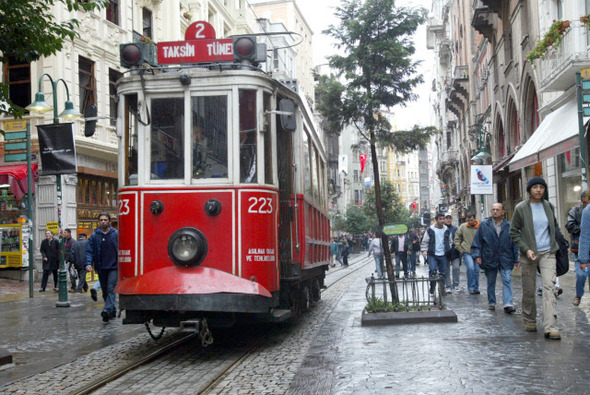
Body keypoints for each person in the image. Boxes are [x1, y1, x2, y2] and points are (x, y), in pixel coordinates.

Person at [510, 177, 562, 340]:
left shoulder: (549, 206)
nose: (538, 190)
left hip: (548, 252)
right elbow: (514, 231)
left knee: (549, 288)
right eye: (535, 187)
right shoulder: (521, 208)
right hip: (529, 254)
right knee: (529, 289)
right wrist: (526, 249)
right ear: (529, 190)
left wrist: (554, 243)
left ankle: (550, 326)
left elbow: (554, 226)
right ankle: (529, 319)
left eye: (541, 187)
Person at [471, 203, 519, 313]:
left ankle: (508, 303)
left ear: (502, 212)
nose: (495, 211)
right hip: (490, 257)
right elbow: (477, 241)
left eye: (498, 209)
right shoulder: (484, 225)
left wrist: (516, 258)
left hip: (505, 257)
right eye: (493, 209)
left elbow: (514, 243)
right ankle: (491, 302)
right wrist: (477, 255)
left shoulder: (509, 225)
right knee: (491, 281)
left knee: (507, 280)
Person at [85, 212, 119, 322]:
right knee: (105, 291)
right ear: (99, 222)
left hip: (114, 267)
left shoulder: (115, 234)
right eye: (101, 220)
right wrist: (89, 264)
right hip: (101, 267)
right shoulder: (95, 236)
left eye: (105, 220)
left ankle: (107, 310)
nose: (103, 222)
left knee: (111, 288)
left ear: (109, 221)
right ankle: (112, 311)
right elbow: (89, 251)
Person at [566, 190, 590, 306]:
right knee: (581, 275)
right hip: (580, 250)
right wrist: (584, 227)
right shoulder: (577, 211)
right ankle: (578, 294)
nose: (587, 204)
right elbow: (570, 226)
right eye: (585, 202)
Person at [420, 213, 451, 294]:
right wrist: (424, 250)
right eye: (440, 219)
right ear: (436, 220)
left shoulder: (446, 229)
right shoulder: (431, 229)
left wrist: (448, 248)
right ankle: (432, 285)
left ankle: (442, 288)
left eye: (443, 219)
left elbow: (450, 240)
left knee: (443, 272)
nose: (442, 220)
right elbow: (425, 241)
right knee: (433, 270)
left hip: (443, 254)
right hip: (432, 254)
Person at [454, 211, 480, 295]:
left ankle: (476, 287)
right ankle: (471, 287)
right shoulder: (463, 227)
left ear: (475, 219)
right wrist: (459, 248)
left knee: (476, 270)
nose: (470, 222)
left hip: (478, 252)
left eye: (471, 220)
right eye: (468, 220)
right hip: (467, 251)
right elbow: (457, 238)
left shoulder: (480, 227)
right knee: (470, 269)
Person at [444, 215, 461, 292]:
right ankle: (448, 285)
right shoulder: (442, 229)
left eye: (449, 218)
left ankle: (456, 284)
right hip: (445, 252)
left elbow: (459, 238)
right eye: (446, 218)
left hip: (455, 252)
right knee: (446, 269)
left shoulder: (455, 229)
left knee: (456, 268)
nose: (448, 220)